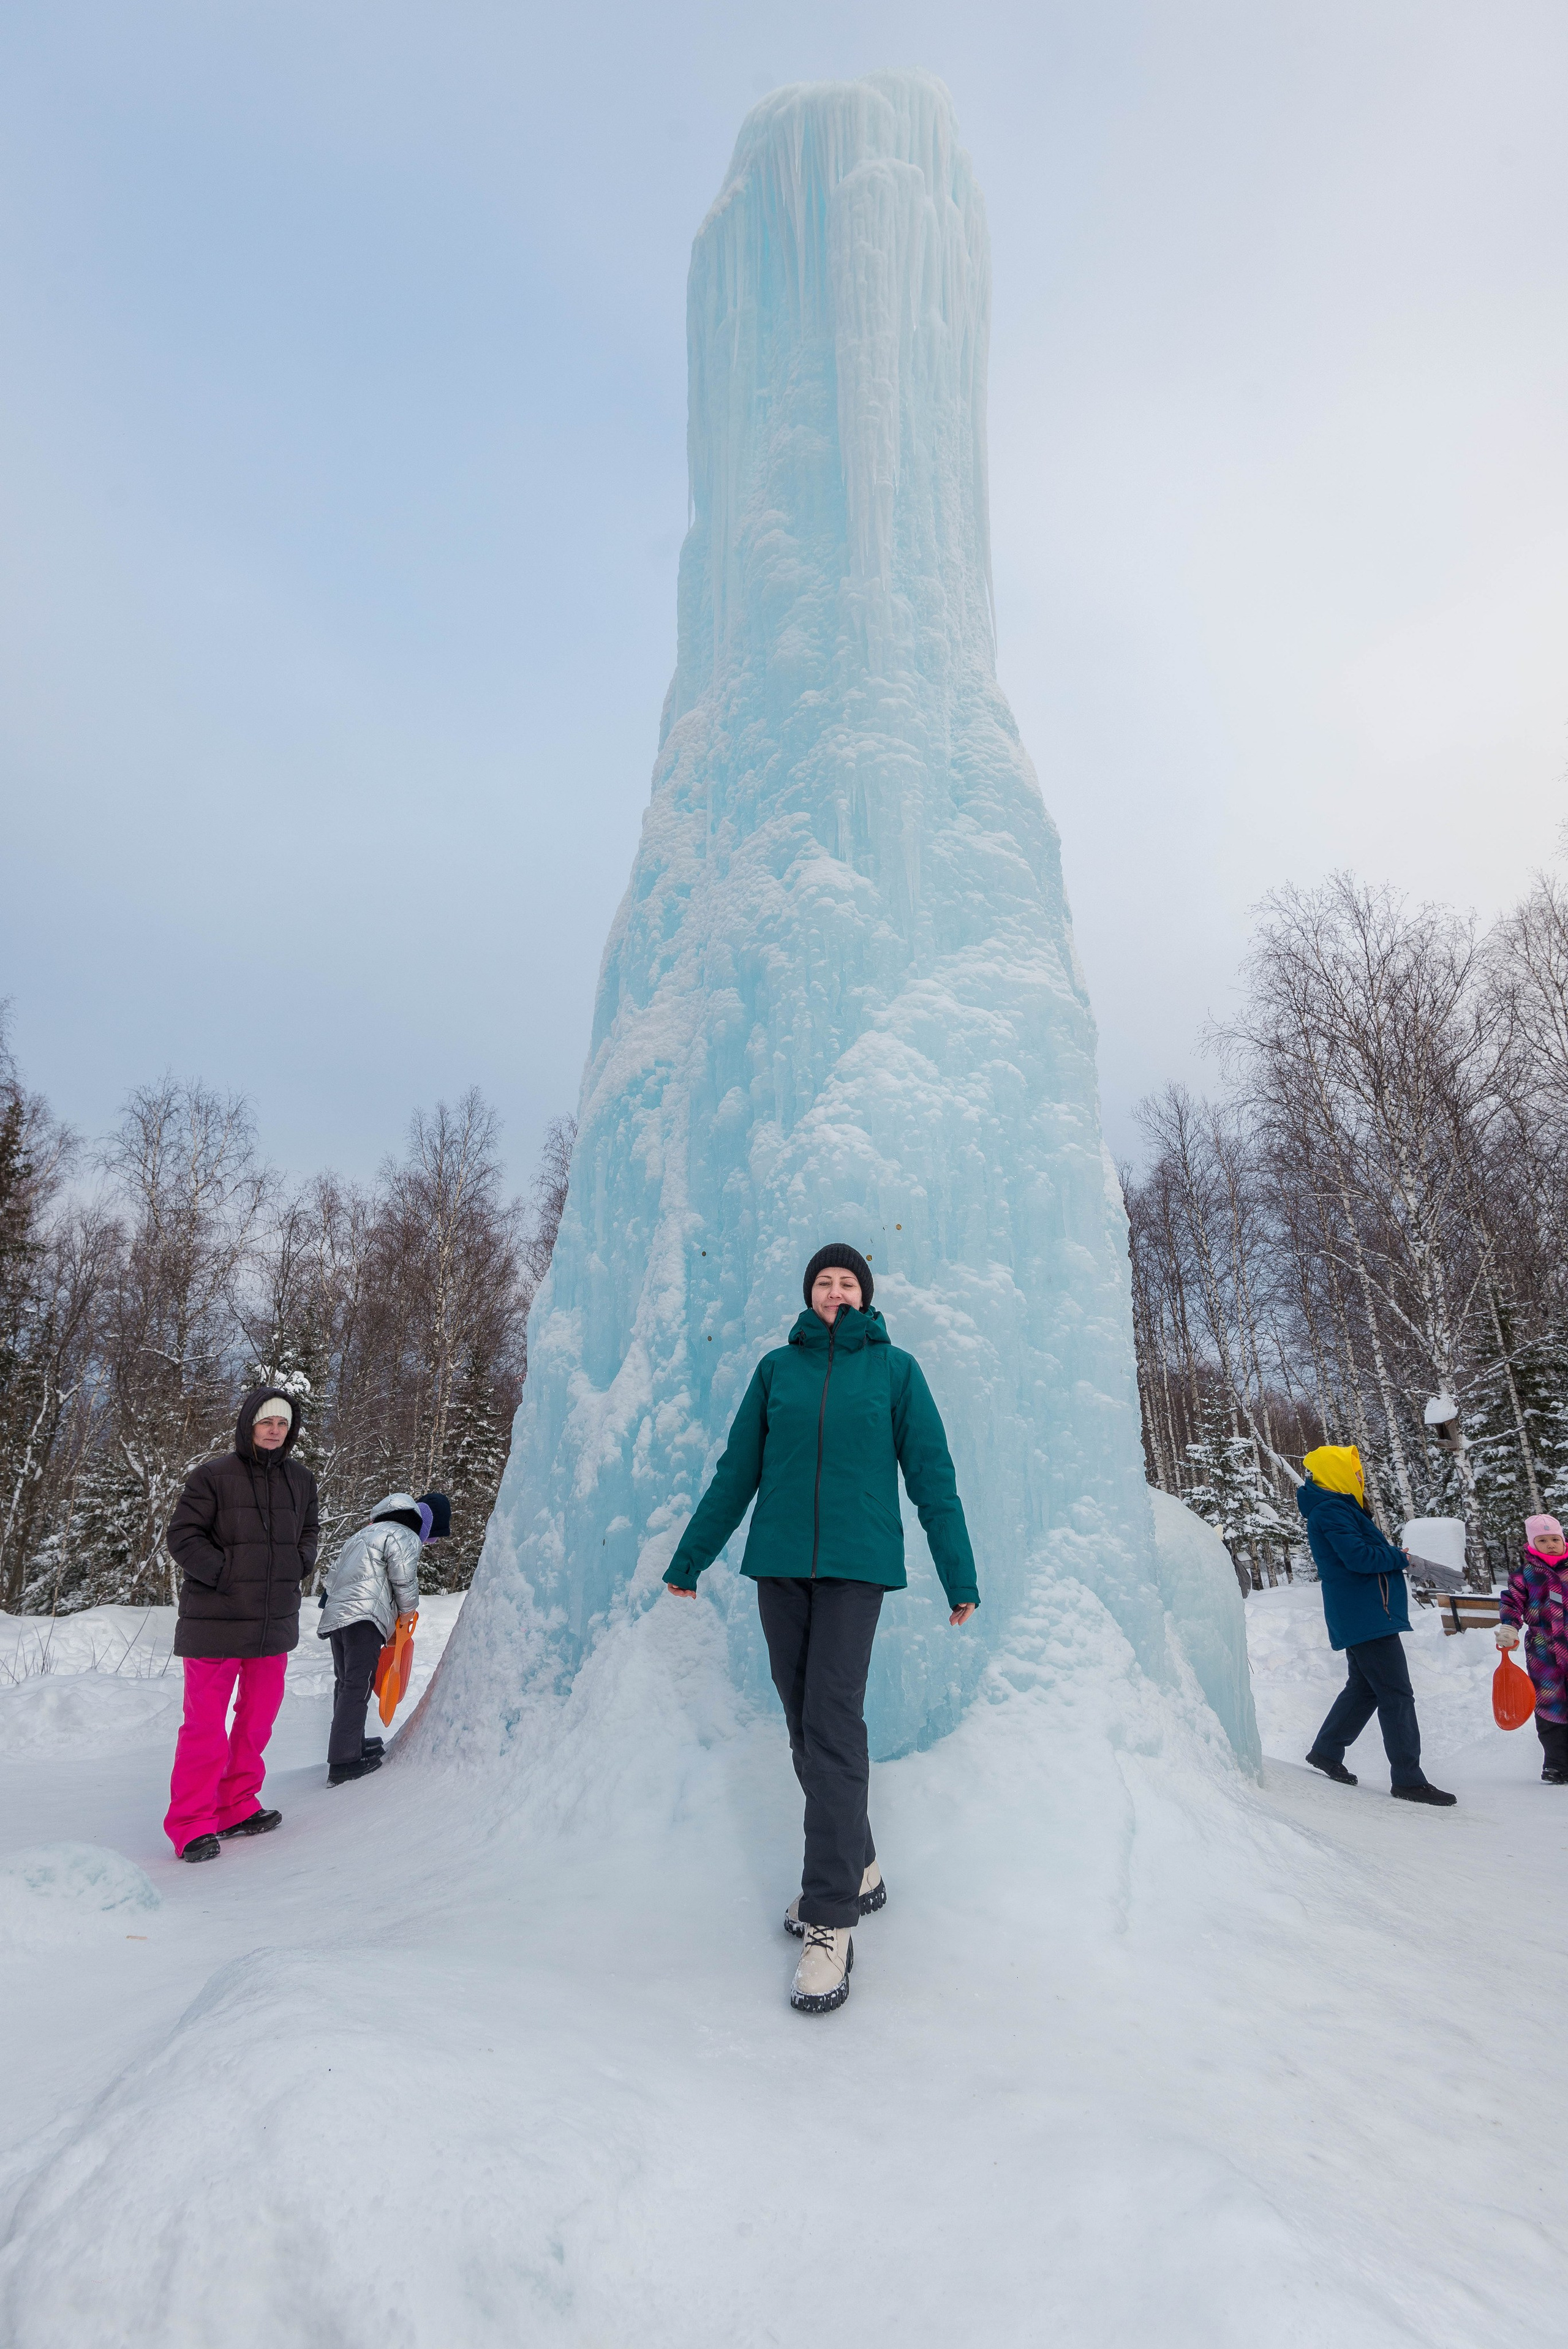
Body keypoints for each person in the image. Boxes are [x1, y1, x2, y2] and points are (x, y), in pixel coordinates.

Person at [663, 1242, 979, 2014]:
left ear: (865, 1296)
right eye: (823, 1281)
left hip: (855, 1566)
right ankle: (860, 1866)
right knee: (805, 1728)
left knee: (833, 1723)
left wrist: (957, 1571)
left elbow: (931, 1474)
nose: (835, 1289)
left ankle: (829, 1918)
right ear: (808, 1295)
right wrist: (691, 1556)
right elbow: (738, 1471)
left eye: (847, 1282)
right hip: (779, 1566)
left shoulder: (895, 1370)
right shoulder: (778, 1369)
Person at [164, 1388, 319, 1861]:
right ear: (249, 1423)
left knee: (257, 1722)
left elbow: (310, 1531)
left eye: (283, 1423)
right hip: (217, 1621)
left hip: (273, 1622)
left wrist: (299, 1562)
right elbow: (183, 1536)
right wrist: (226, 1574)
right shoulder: (213, 1476)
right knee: (205, 1727)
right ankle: (190, 1824)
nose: (275, 1429)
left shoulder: (301, 1479)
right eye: (267, 1421)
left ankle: (235, 1805)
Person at [1297, 1444, 1455, 1806]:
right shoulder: (1332, 1510)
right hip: (1365, 1613)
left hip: (1365, 1611)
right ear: (1335, 1474)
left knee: (1366, 1688)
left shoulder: (1340, 1509)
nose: (1359, 1477)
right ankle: (1409, 1780)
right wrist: (1402, 1558)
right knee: (1396, 1693)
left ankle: (1326, 1751)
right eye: (1352, 1472)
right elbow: (1359, 1557)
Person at [316, 1491, 451, 1784]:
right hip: (364, 1618)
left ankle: (352, 1744)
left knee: (347, 1682)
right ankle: (343, 1762)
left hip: (339, 1615)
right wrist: (407, 1614)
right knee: (359, 1684)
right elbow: (404, 1579)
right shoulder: (404, 1535)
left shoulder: (364, 1534)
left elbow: (331, 1576)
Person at [1495, 1514, 1568, 1784]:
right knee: (1550, 1705)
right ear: (1532, 1544)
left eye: (1554, 1539)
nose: (1550, 1545)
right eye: (1543, 1540)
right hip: (1543, 1649)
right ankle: (1557, 1765)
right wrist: (1510, 1626)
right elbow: (1511, 1602)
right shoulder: (1524, 1575)